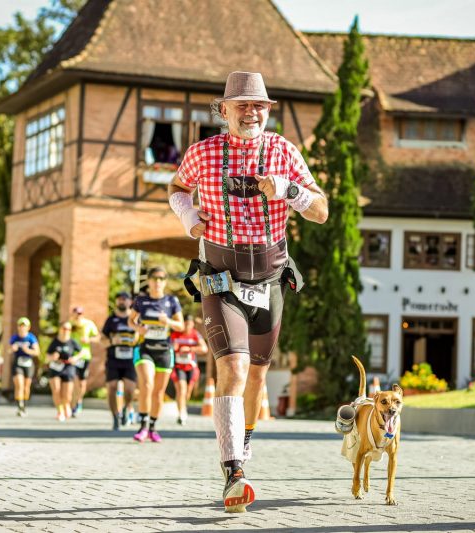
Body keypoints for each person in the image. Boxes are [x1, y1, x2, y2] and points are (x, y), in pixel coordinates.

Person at [168, 71, 328, 511]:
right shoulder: (203, 153)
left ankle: (245, 438)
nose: (252, 112)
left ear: (268, 111)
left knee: (257, 374)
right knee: (234, 369)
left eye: (259, 105)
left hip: (271, 278)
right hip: (221, 278)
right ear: (224, 111)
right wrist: (187, 216)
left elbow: (321, 211)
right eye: (242, 105)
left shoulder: (283, 151)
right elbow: (177, 188)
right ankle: (233, 472)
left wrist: (290, 190)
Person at [130, 266, 184, 443]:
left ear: (165, 281)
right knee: (146, 384)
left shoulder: (171, 301)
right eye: (154, 278)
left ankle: (153, 427)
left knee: (159, 392)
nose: (158, 282)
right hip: (145, 347)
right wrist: (138, 328)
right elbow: (130, 320)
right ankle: (143, 426)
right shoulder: (141, 301)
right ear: (149, 281)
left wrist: (167, 321)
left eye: (161, 278)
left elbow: (180, 326)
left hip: (164, 350)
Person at [102, 291, 138, 431]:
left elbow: (143, 334)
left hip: (130, 360)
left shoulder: (136, 319)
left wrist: (137, 337)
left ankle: (125, 408)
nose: (122, 301)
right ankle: (115, 416)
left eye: (125, 299)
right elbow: (102, 339)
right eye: (119, 299)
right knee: (111, 388)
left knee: (130, 390)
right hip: (113, 359)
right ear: (116, 302)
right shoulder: (111, 320)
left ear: (130, 302)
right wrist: (112, 340)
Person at [170, 314, 208, 425]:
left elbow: (204, 348)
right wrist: (174, 348)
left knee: (187, 392)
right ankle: (181, 413)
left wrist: (190, 349)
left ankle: (183, 407)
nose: (187, 326)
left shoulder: (195, 334)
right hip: (178, 366)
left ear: (192, 325)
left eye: (189, 324)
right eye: (185, 323)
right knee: (181, 390)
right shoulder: (175, 334)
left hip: (191, 366)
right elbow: (168, 347)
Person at [46, 321, 82, 421]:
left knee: (67, 394)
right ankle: (60, 410)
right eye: (64, 328)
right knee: (56, 390)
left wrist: (75, 358)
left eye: (68, 329)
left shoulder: (72, 342)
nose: (66, 331)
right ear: (60, 329)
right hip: (56, 367)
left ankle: (66, 405)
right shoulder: (55, 342)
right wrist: (53, 357)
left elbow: (81, 352)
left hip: (68, 367)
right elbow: (47, 356)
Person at [69, 305, 100, 417]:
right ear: (72, 314)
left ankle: (79, 401)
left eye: (80, 313)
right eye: (76, 313)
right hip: (72, 357)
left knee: (82, 384)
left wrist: (89, 339)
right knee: (74, 381)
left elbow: (98, 337)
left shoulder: (89, 324)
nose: (78, 315)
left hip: (84, 356)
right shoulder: (69, 325)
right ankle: (73, 405)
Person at [9, 317, 39, 416]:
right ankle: (19, 406)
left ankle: (24, 405)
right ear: (18, 327)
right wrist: (13, 349)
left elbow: (37, 352)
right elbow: (8, 350)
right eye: (20, 326)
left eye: (24, 326)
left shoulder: (31, 338)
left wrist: (28, 351)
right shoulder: (14, 338)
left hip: (28, 363)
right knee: (19, 385)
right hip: (18, 363)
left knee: (26, 387)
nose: (22, 328)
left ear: (28, 327)